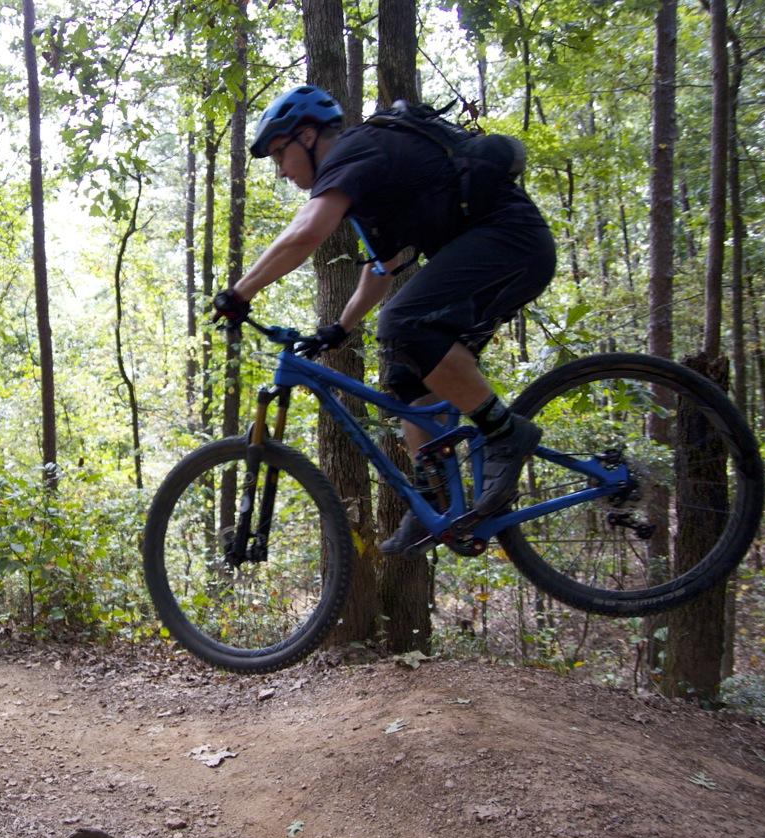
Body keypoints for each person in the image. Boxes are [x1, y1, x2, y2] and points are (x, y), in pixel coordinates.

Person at [212, 84, 556, 557]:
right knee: (405, 369)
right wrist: (341, 327)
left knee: (402, 322)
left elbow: (306, 231)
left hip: (511, 241)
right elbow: (381, 269)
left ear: (308, 136)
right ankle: (435, 499)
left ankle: (504, 432)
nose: (282, 171)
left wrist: (238, 293)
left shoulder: (354, 149)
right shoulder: (370, 190)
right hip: (496, 252)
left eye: (279, 153)